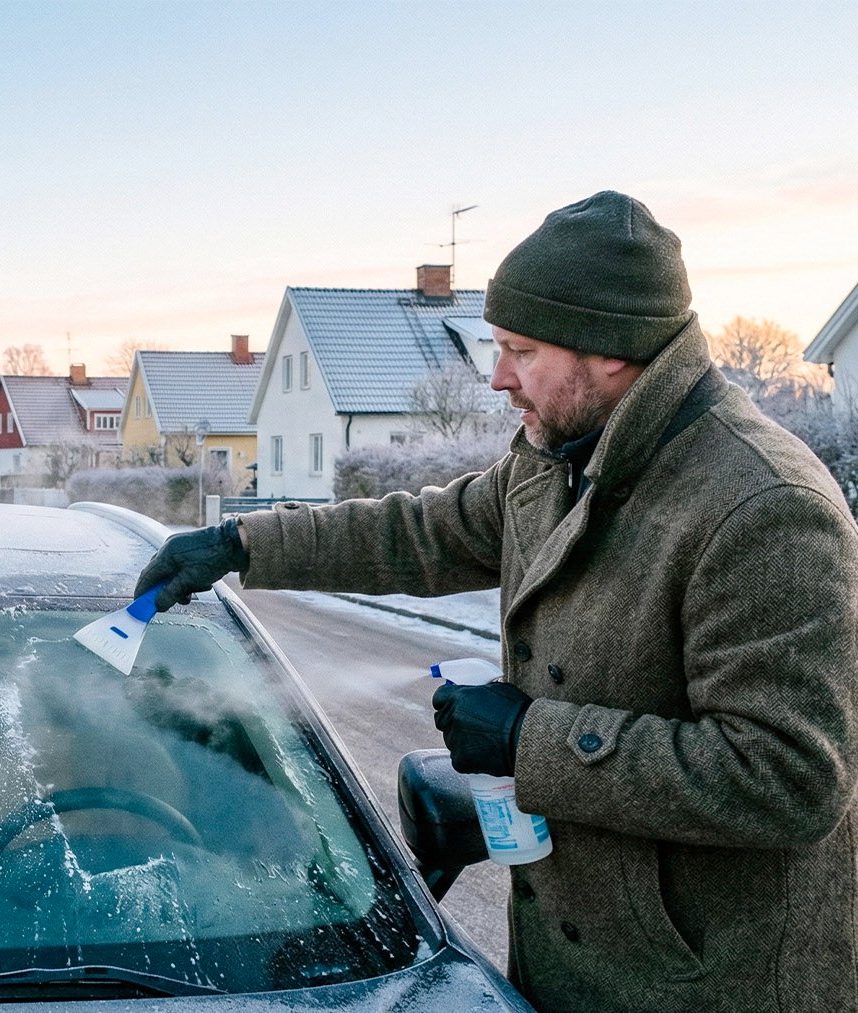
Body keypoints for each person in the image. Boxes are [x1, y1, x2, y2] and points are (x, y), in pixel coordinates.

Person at [136, 191, 858, 1012]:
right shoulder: (561, 456)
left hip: (707, 987)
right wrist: (242, 546)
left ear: (610, 349)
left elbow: (790, 777)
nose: (498, 376)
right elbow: (421, 530)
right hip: (567, 974)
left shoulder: (764, 506)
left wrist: (529, 736)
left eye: (520, 349)